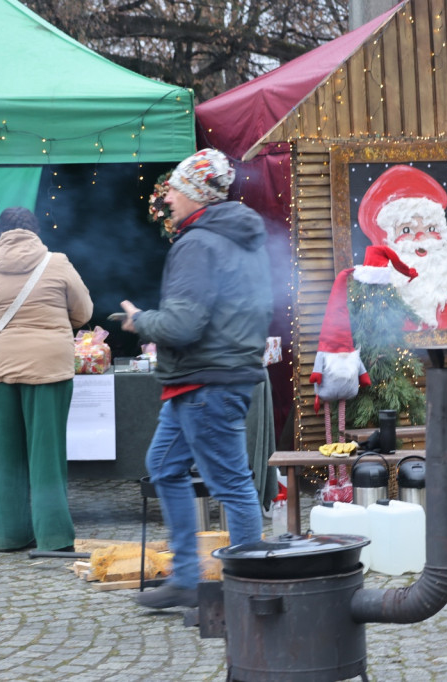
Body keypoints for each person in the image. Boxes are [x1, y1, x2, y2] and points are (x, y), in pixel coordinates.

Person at [119, 148, 274, 609]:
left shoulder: (197, 243)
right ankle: (188, 578)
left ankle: (247, 588)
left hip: (207, 382)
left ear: (195, 194)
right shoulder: (243, 240)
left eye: (174, 188)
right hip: (212, 378)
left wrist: (141, 321)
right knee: (164, 466)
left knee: (231, 484)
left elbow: (183, 325)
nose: (166, 196)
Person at [0, 207, 93, 552]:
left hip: (2, 366)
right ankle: (53, 537)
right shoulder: (57, 262)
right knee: (46, 453)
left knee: (7, 453)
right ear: (35, 231)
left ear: (0, 232)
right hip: (49, 365)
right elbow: (83, 312)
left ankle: (10, 535)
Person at [357, 165, 447, 330]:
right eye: (407, 230)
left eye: (431, 229)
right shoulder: (379, 295)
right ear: (388, 239)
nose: (421, 238)